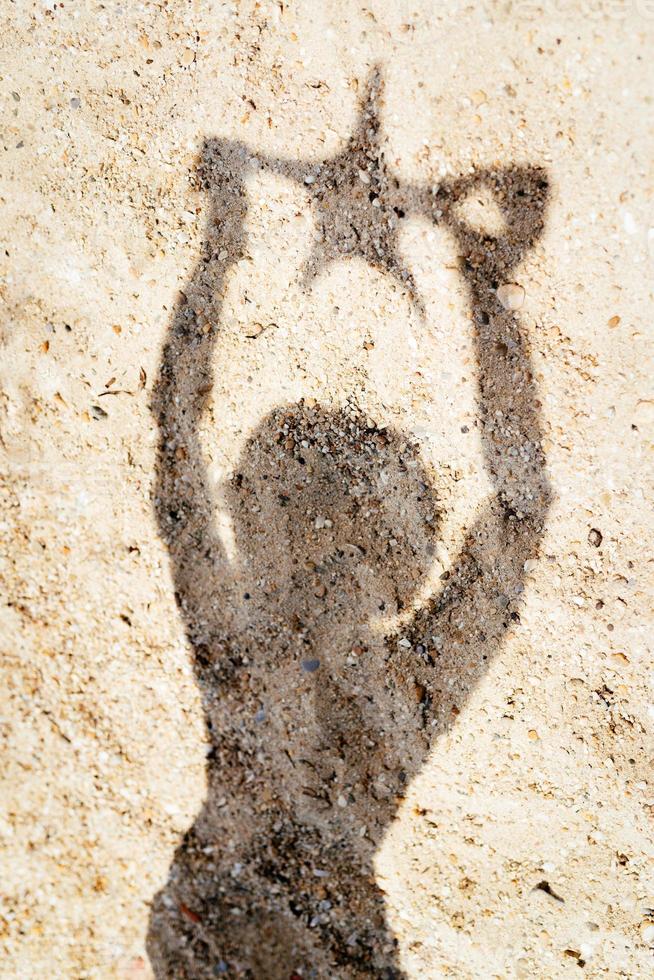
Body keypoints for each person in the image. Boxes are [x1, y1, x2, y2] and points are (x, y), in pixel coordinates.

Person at [147, 72, 551, 979]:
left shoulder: (246, 655)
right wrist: (487, 292)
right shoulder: (396, 687)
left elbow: (175, 453)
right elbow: (520, 515)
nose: (333, 546)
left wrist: (222, 245)